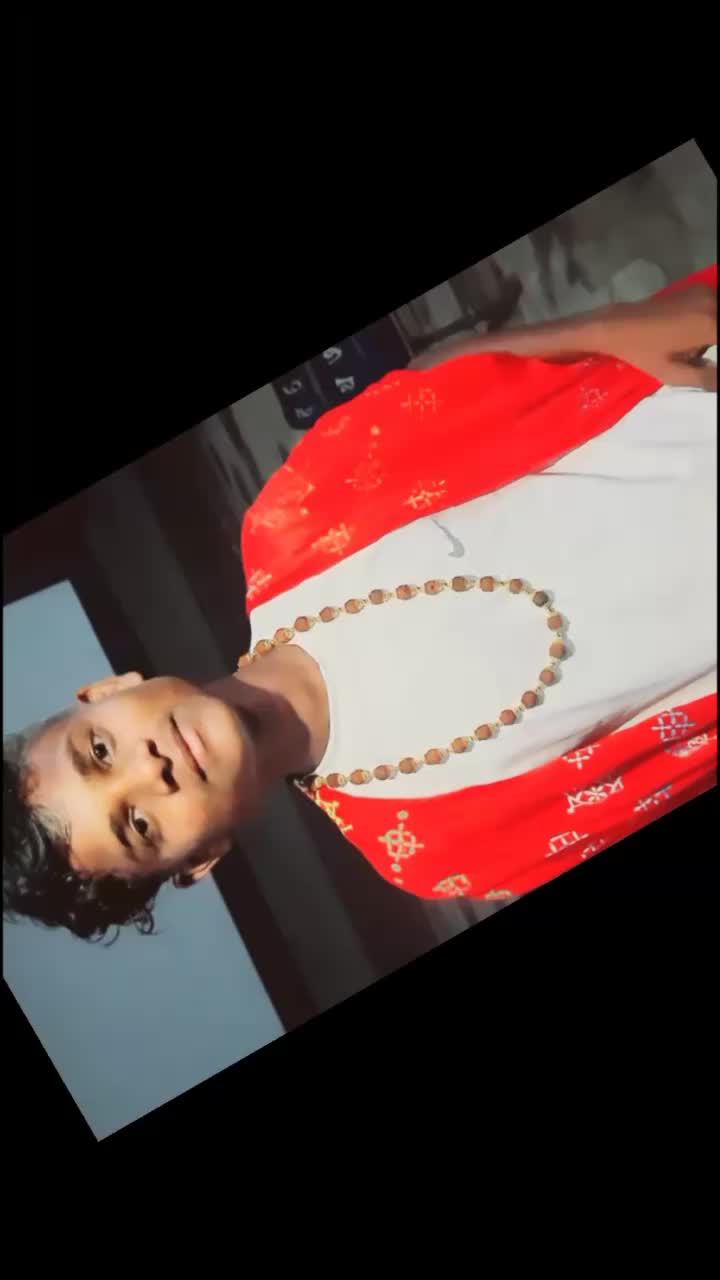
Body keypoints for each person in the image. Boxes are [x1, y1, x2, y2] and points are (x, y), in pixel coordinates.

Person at [4, 267, 716, 940]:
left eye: (100, 751)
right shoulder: (438, 849)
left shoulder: (290, 525)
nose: (151, 770)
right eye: (138, 825)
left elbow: (445, 382)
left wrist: (619, 325)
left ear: (108, 690)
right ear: (202, 858)